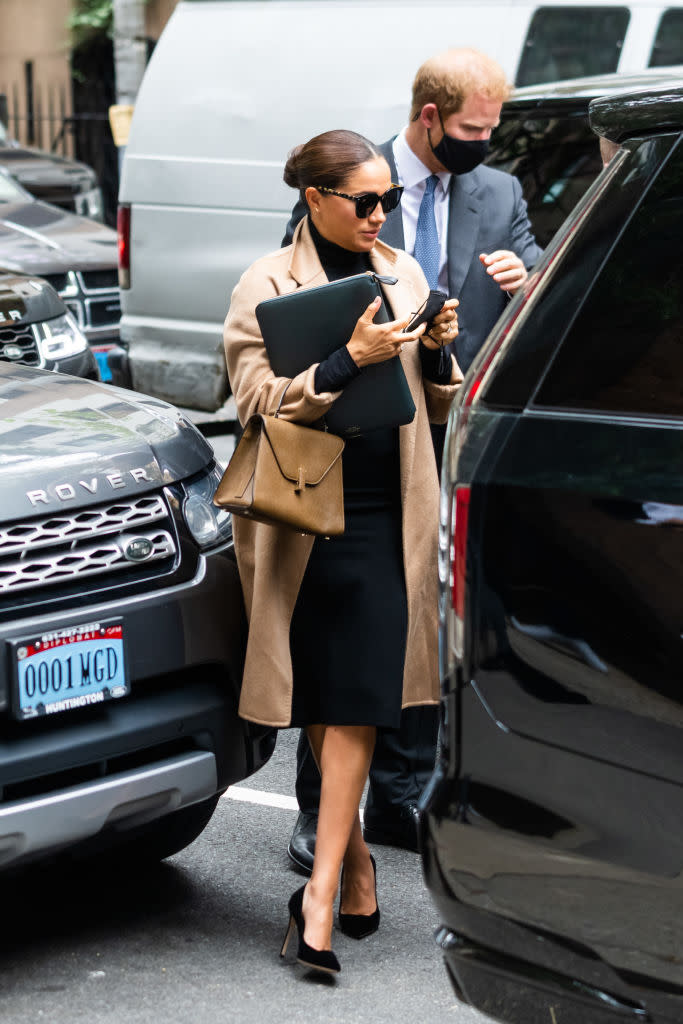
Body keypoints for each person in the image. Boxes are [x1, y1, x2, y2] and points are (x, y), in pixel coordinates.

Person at [283, 48, 543, 874]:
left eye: (493, 127)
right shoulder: (350, 184)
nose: (486, 142)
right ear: (429, 118)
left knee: (427, 616)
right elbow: (288, 303)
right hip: (358, 434)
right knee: (341, 615)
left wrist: (528, 277)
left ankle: (399, 797)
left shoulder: (496, 191)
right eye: (473, 127)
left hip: (451, 426)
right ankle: (319, 811)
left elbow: (542, 275)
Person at [223, 129, 462, 975]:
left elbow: (437, 403)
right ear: (316, 198)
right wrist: (340, 362)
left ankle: (317, 896)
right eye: (364, 200)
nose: (380, 214)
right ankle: (354, 864)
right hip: (302, 514)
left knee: (360, 697)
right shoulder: (266, 283)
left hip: (384, 511)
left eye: (389, 198)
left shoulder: (402, 272)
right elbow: (255, 402)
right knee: (325, 699)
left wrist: (435, 348)